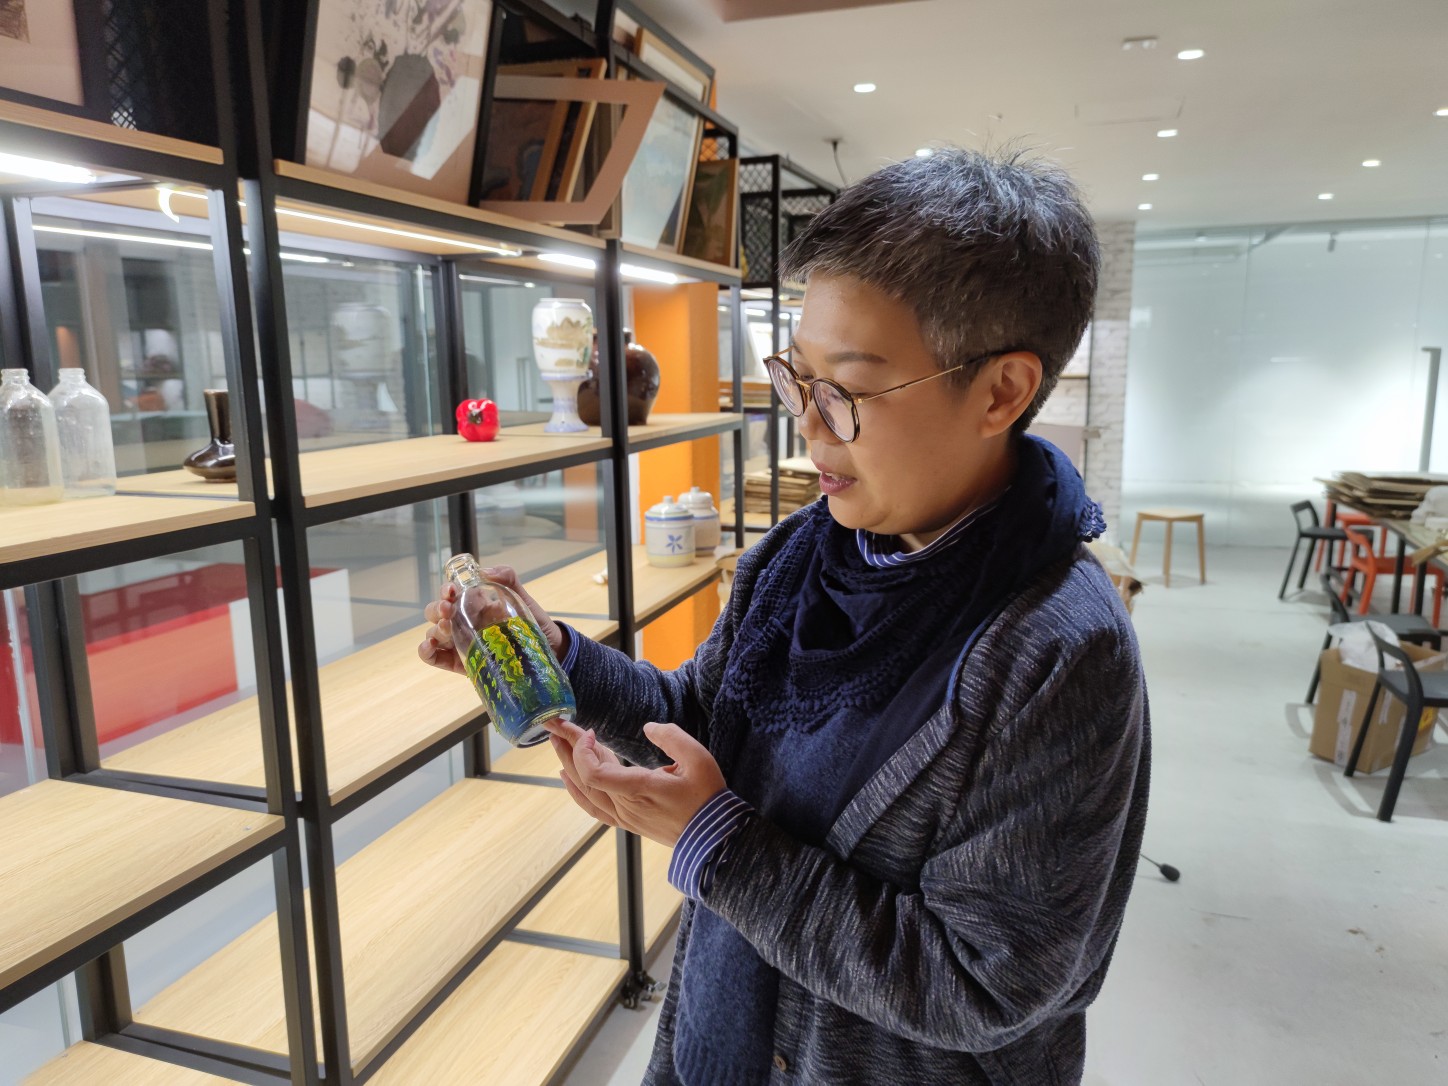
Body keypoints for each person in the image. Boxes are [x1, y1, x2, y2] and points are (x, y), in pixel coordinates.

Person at [421, 146, 1150, 1086]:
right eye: (795, 376)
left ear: (1000, 391)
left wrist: (718, 845)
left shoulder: (1060, 649)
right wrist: (554, 656)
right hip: (720, 1040)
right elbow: (704, 722)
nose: (806, 422)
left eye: (845, 389)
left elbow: (983, 986)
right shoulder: (801, 553)